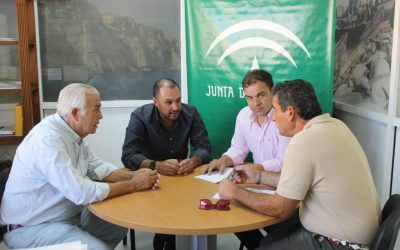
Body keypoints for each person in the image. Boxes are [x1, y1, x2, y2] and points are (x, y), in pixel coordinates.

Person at [218, 79, 380, 250]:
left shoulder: (303, 142)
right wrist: (259, 176)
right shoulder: (336, 126)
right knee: (268, 241)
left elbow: (280, 208)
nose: (273, 117)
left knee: (266, 243)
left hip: (341, 243)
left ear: (290, 112)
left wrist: (234, 192)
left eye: (276, 110)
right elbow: (299, 181)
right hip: (356, 233)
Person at [0, 83, 159, 250]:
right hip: (31, 228)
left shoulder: (72, 133)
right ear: (75, 113)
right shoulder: (47, 140)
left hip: (66, 217)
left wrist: (132, 176)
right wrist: (134, 184)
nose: (101, 116)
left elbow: (94, 166)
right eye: (96, 109)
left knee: (121, 217)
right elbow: (82, 192)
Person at [200, 69, 290, 250]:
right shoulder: (243, 115)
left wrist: (254, 168)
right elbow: (238, 149)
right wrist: (224, 160)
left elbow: (283, 161)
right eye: (249, 97)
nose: (255, 103)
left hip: (282, 186)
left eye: (261, 95)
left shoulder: (284, 116)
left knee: (276, 229)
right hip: (256, 184)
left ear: (272, 91)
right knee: (230, 210)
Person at [121, 78, 212, 250]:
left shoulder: (190, 113)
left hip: (182, 177)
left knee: (191, 209)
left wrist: (193, 161)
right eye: (168, 102)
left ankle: (170, 238)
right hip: (151, 179)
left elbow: (204, 147)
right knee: (169, 218)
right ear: (155, 102)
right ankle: (166, 237)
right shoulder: (140, 116)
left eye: (178, 100)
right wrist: (156, 165)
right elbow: (128, 155)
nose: (176, 107)